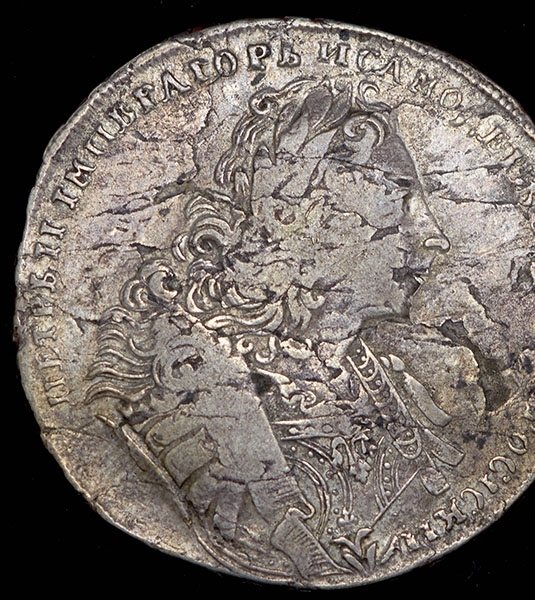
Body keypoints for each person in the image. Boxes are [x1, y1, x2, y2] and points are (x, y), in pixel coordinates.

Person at [86, 78, 484, 581]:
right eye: (399, 201)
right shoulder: (181, 393)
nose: (435, 238)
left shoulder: (395, 383)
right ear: (296, 219)